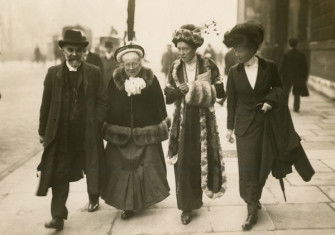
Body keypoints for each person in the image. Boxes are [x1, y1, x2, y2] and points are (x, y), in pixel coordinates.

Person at [37, 29, 108, 231]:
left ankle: (94, 197)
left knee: (92, 165)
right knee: (59, 173)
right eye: (70, 50)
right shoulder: (53, 74)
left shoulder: (94, 72)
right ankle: (58, 216)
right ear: (63, 51)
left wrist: (96, 122)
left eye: (78, 50)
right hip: (61, 134)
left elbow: (103, 102)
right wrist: (43, 131)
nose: (75, 54)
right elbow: (46, 105)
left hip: (87, 132)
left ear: (84, 51)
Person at [164, 24, 227, 225]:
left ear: (194, 47)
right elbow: (167, 95)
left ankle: (196, 199)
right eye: (179, 48)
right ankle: (185, 206)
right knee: (182, 162)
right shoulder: (174, 67)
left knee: (199, 160)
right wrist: (180, 91)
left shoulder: (208, 65)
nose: (181, 52)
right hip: (182, 121)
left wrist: (204, 88)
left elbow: (221, 92)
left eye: (185, 49)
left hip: (203, 122)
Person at [223, 22, 283, 230]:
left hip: (266, 125)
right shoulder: (234, 71)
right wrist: (229, 128)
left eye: (240, 48)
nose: (236, 53)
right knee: (247, 167)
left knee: (263, 165)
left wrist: (270, 100)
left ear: (253, 48)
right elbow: (231, 101)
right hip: (244, 127)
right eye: (234, 48)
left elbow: (278, 88)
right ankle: (251, 206)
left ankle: (254, 196)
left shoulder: (270, 66)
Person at [101, 42, 170, 220]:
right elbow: (108, 104)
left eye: (135, 63)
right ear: (121, 65)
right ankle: (128, 205)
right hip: (121, 134)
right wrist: (105, 123)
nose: (131, 68)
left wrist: (161, 122)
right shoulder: (115, 79)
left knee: (147, 169)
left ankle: (144, 200)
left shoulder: (151, 79)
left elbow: (159, 103)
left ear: (141, 62)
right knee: (121, 171)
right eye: (127, 64)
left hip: (145, 132)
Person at [280, 38, 309, 112]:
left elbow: (282, 66)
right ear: (297, 44)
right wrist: (305, 77)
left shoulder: (286, 54)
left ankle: (284, 107)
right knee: (297, 93)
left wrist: (280, 75)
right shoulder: (301, 54)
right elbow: (305, 67)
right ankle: (296, 107)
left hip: (287, 76)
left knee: (286, 93)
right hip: (298, 77)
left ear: (289, 44)